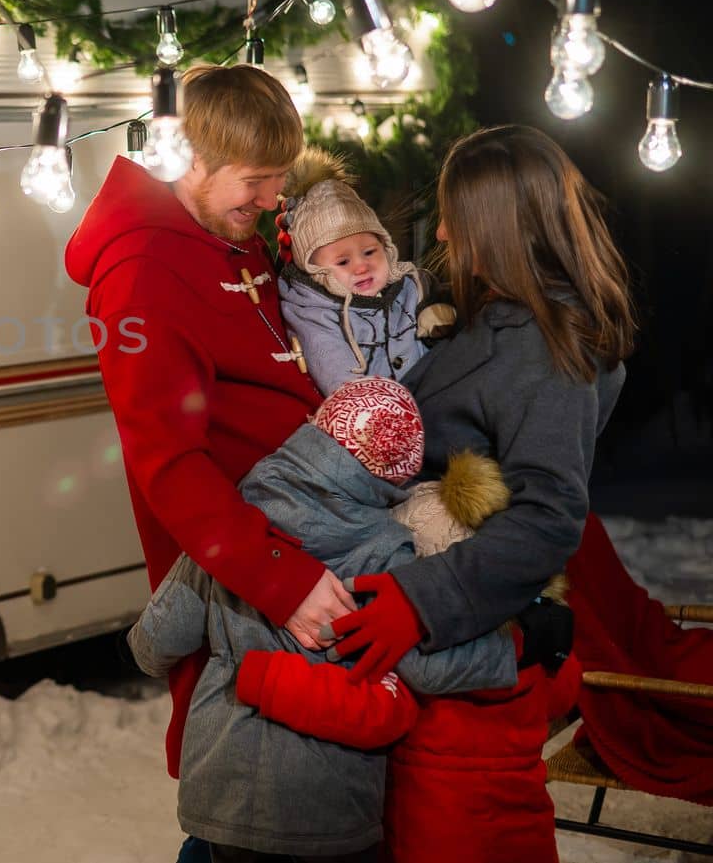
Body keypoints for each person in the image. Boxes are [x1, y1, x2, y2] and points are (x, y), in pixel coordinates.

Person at [329, 126, 713, 805]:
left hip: (485, 585)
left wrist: (423, 603)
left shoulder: (539, 347)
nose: (442, 234)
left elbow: (547, 511)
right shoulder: (502, 324)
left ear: (494, 225)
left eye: (454, 216)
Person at [66, 65, 352, 863]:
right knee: (249, 807)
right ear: (188, 155)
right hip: (247, 588)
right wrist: (280, 578)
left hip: (298, 548)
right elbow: (169, 465)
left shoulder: (228, 235)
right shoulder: (144, 271)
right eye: (254, 180)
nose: (268, 198)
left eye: (276, 180)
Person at [127, 377, 517, 863]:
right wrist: (516, 647)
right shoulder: (386, 554)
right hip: (330, 807)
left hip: (224, 793)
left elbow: (154, 643)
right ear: (395, 480)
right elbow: (427, 667)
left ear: (316, 426)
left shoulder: (233, 523)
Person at [239, 451, 582, 863]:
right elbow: (564, 692)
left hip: (433, 842)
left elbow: (367, 712)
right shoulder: (531, 650)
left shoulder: (417, 651)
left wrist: (266, 676)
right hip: (524, 836)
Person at [274, 150, 448, 395]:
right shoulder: (315, 314)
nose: (361, 266)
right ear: (315, 271)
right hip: (372, 419)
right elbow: (339, 378)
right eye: (343, 262)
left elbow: (442, 305)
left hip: (432, 404)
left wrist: (437, 312)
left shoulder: (411, 287)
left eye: (369, 252)